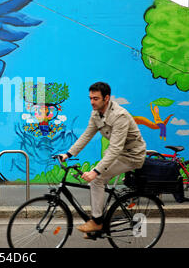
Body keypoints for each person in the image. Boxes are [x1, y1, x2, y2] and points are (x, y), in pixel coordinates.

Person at [59, 82, 146, 234]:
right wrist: (68, 154)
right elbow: (87, 135)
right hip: (117, 154)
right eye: (90, 98)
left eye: (96, 98)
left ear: (106, 98)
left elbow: (115, 149)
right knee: (98, 178)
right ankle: (99, 222)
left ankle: (97, 222)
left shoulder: (120, 116)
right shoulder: (96, 113)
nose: (92, 102)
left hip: (131, 156)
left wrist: (96, 172)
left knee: (97, 179)